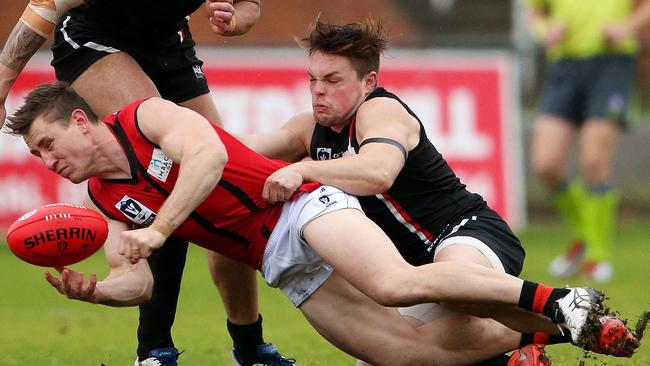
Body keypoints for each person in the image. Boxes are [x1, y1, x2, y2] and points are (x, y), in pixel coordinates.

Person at [5, 82, 640, 366]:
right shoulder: (103, 198)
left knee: (399, 284)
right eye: (36, 154)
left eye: (47, 141)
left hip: (303, 209)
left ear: (81, 122)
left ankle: (565, 300)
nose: (47, 159)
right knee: (408, 354)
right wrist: (96, 292)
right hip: (280, 264)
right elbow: (136, 281)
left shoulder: (147, 117)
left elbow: (211, 156)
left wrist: (162, 228)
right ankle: (549, 335)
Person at [237, 17, 547, 365]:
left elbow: (378, 172)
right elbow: (243, 150)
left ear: (368, 82)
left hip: (467, 232)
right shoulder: (308, 129)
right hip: (413, 273)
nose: (318, 90)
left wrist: (304, 168)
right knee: (396, 352)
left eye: (332, 79)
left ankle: (565, 318)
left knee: (454, 291)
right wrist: (183, 137)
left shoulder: (380, 110)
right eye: (312, 79)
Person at [0, 1, 296, 365]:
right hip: (95, 36)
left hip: (169, 40)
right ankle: (154, 350)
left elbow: (248, 7)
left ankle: (250, 346)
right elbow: (47, 4)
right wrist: (2, 83)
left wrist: (236, 22)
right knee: (163, 177)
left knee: (217, 178)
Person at [524, 0, 650, 283]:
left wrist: (627, 27)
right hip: (565, 67)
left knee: (594, 159)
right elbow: (533, 15)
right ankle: (584, 236)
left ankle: (598, 255)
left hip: (611, 64)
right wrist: (544, 31)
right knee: (546, 164)